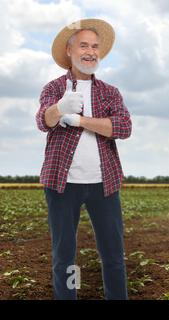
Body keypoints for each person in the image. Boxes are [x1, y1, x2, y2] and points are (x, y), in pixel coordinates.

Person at [35, 19, 132, 300]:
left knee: (113, 255)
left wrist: (79, 120)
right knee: (65, 256)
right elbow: (43, 120)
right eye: (83, 45)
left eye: (95, 47)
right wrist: (59, 108)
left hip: (105, 184)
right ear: (69, 51)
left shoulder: (110, 92)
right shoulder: (53, 88)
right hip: (62, 185)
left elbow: (123, 128)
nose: (90, 52)